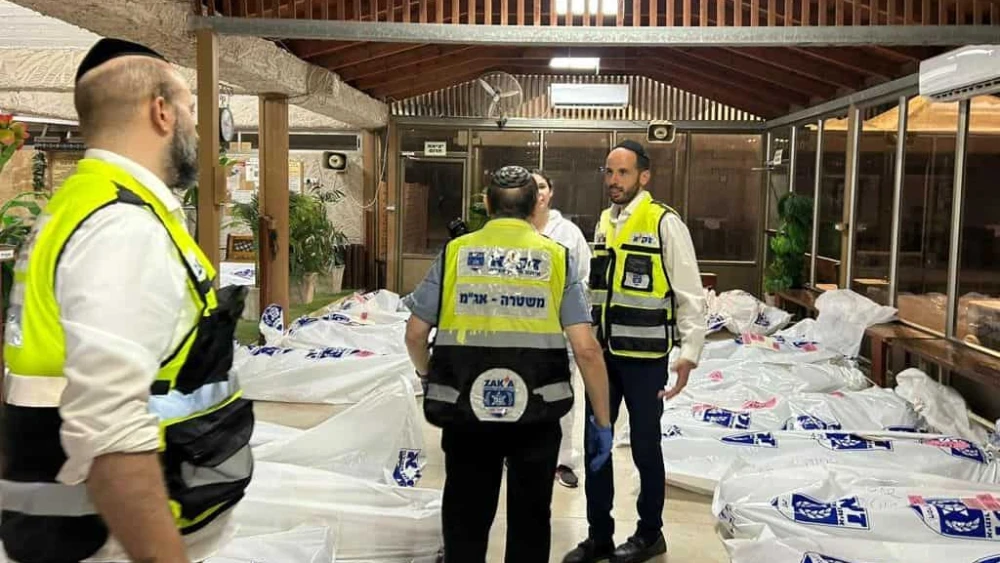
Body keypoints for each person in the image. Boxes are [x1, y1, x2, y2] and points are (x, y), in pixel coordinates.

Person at [0, 38, 253, 563]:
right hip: (108, 536)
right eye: (190, 108)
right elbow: (111, 432)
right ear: (161, 112)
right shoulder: (122, 227)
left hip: (79, 522)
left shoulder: (80, 207)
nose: (199, 127)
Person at [404, 165, 614, 563]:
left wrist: (428, 375)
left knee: (465, 516)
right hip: (536, 414)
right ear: (537, 204)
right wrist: (602, 422)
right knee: (531, 518)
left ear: (486, 204)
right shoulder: (557, 257)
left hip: (465, 411)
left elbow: (415, 334)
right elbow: (586, 349)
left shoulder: (455, 253)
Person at [564, 140, 706, 563]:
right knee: (598, 445)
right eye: (608, 172)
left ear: (644, 176)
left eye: (622, 173)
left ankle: (650, 533)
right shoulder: (604, 223)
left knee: (646, 446)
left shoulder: (664, 222)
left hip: (646, 359)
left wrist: (690, 351)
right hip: (603, 357)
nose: (613, 181)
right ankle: (599, 535)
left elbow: (690, 292)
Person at [529, 170, 593, 490]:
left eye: (541, 186)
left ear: (551, 193)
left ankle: (564, 460)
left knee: (561, 395)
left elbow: (582, 280)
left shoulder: (568, 233)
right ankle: (514, 453)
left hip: (557, 330)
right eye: (530, 186)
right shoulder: (511, 230)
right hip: (518, 329)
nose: (537, 192)